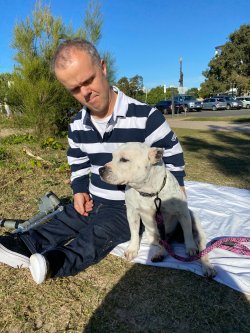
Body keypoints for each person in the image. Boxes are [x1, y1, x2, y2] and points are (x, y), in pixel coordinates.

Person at [0, 39, 186, 284]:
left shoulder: (146, 117)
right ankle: (23, 242)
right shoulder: (77, 125)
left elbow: (172, 154)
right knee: (67, 217)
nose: (85, 92)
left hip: (132, 205)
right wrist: (79, 191)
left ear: (103, 68)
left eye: (88, 80)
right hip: (96, 198)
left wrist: (176, 193)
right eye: (75, 89)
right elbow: (77, 162)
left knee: (98, 234)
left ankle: (55, 262)